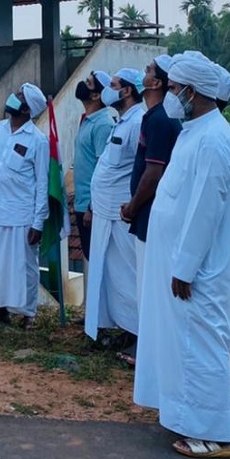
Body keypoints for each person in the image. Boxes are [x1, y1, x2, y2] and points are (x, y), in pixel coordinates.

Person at [133, 54, 230, 459]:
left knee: (202, 346)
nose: (171, 93)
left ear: (193, 93)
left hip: (198, 269)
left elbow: (205, 211)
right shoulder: (195, 131)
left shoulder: (214, 139)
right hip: (182, 263)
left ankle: (215, 435)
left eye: (176, 88)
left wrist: (185, 266)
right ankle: (186, 418)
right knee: (184, 344)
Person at [119, 56, 182, 365]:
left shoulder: (159, 119)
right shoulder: (155, 116)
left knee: (150, 288)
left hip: (149, 215)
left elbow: (153, 173)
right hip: (147, 215)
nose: (143, 73)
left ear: (156, 82)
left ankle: (150, 352)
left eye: (148, 71)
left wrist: (132, 206)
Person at [0, 83, 49, 329]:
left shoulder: (38, 140)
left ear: (27, 109)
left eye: (20, 96)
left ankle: (28, 313)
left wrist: (38, 222)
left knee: (24, 267)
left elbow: (42, 184)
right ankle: (0, 309)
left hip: (22, 215)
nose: (14, 97)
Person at [84, 69, 145, 348]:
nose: (109, 89)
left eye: (115, 85)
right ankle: (119, 326)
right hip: (104, 211)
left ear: (128, 91)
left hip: (121, 213)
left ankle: (138, 334)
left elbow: (141, 169)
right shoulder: (121, 121)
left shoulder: (137, 122)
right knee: (109, 274)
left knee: (129, 274)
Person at [72, 70, 114, 262]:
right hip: (83, 204)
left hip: (92, 206)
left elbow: (102, 168)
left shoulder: (103, 125)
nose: (83, 83)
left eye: (88, 83)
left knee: (99, 260)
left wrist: (92, 206)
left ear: (96, 95)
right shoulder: (88, 120)